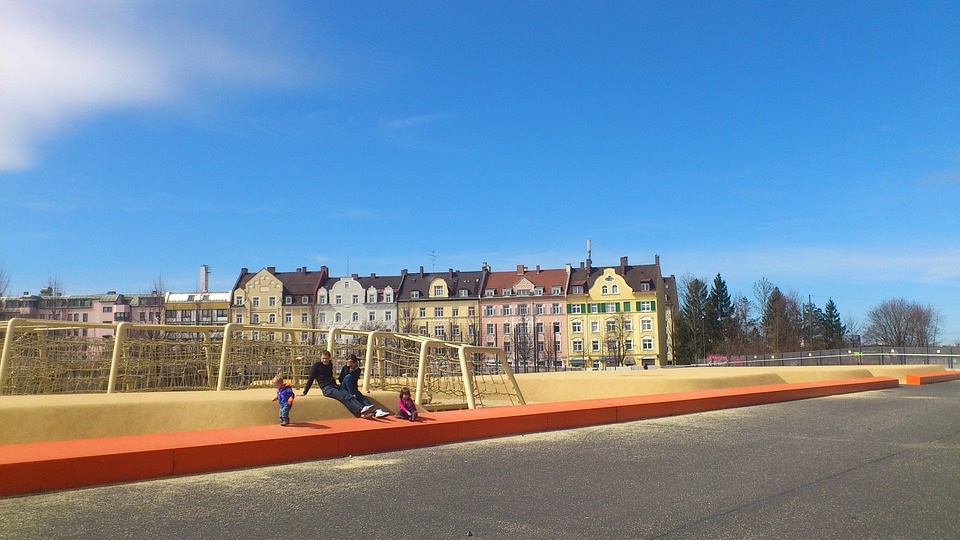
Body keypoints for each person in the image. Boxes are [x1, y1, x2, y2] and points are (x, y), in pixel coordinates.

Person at [301, 350, 375, 418]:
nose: (325, 360)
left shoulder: (330, 364)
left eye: (326, 358)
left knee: (348, 395)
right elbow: (311, 379)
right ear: (320, 358)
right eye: (323, 358)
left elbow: (330, 376)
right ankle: (359, 412)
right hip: (327, 388)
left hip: (334, 386)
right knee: (342, 397)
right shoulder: (316, 366)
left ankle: (363, 409)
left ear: (329, 358)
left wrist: (336, 385)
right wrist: (305, 392)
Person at [338, 354, 390, 418]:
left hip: (352, 388)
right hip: (344, 388)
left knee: (361, 397)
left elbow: (353, 381)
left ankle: (376, 411)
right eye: (348, 361)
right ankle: (353, 396)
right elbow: (340, 380)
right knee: (348, 377)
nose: (349, 363)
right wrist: (347, 369)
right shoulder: (345, 368)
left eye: (351, 362)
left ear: (355, 362)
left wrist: (355, 392)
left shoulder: (357, 370)